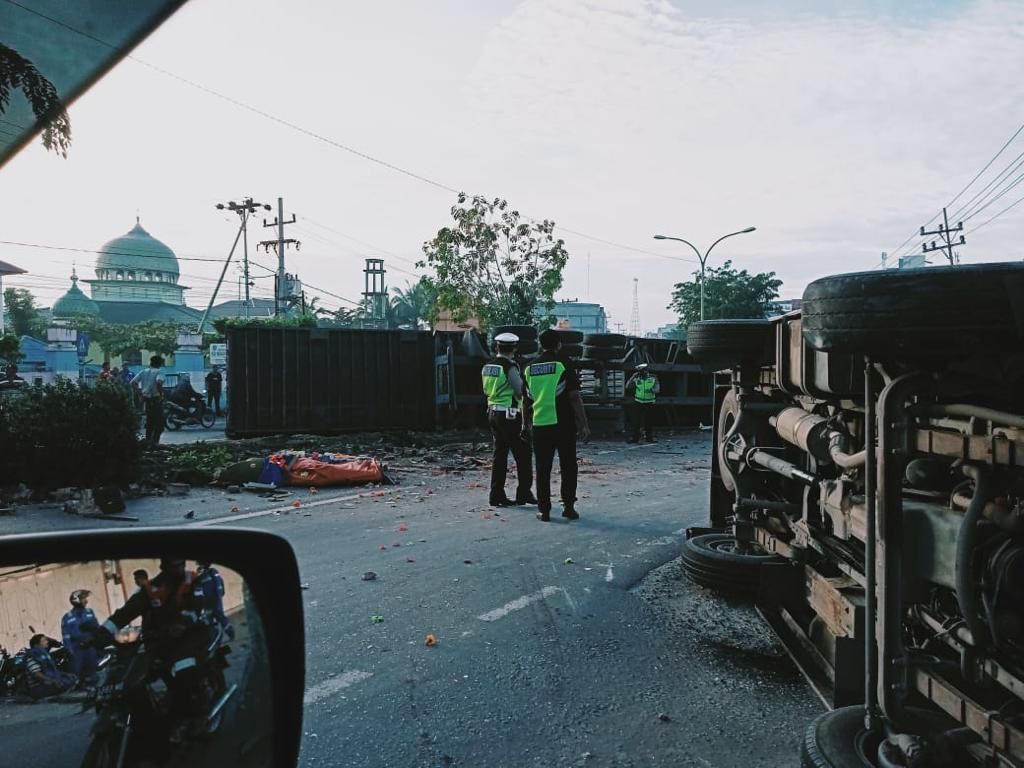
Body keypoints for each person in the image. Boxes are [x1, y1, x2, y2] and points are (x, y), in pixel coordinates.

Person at [98, 559, 211, 743]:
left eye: (181, 563)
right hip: (161, 640)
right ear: (163, 567)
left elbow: (196, 607)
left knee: (183, 669)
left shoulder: (191, 580)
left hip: (191, 635)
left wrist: (182, 623)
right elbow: (127, 611)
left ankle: (196, 714)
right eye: (174, 564)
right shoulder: (152, 588)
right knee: (135, 675)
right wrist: (101, 632)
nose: (179, 568)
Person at [523, 329, 591, 522]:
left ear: (540, 345)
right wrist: (584, 425)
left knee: (542, 469)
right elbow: (574, 396)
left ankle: (543, 510)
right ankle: (568, 507)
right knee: (568, 466)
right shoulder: (564, 363)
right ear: (559, 344)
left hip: (539, 425)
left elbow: (525, 400)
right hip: (563, 425)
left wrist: (524, 424)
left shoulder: (529, 368)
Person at [481, 333, 535, 507]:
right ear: (514, 348)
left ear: (497, 347)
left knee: (500, 455)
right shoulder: (509, 367)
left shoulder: (488, 367)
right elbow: (520, 391)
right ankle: (524, 492)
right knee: (523, 453)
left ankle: (496, 494)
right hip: (509, 415)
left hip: (493, 412)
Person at [61, 589, 100, 685]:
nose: (86, 601)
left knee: (93, 673)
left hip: (90, 647)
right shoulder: (67, 617)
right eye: (83, 598)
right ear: (76, 600)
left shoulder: (90, 612)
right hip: (76, 649)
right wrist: (69, 650)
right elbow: (65, 636)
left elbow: (97, 628)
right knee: (76, 675)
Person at [24, 634, 77, 699]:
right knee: (64, 684)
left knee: (72, 679)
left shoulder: (44, 654)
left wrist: (65, 675)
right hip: (38, 688)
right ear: (36, 644)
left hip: (47, 685)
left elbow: (51, 671)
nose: (47, 642)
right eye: (44, 640)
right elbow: (37, 674)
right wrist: (52, 681)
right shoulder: (32, 656)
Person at [193, 561, 234, 641]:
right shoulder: (200, 578)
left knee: (219, 618)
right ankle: (216, 639)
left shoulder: (211, 572)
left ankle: (230, 634)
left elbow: (219, 584)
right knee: (211, 621)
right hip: (208, 603)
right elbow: (198, 592)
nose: (199, 570)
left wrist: (219, 596)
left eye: (200, 567)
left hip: (214, 601)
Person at [131, 355, 165, 449]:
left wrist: (140, 392)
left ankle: (148, 442)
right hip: (155, 399)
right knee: (160, 422)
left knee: (150, 421)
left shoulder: (144, 371)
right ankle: (155, 442)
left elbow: (133, 383)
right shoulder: (159, 371)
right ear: (159, 363)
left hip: (146, 399)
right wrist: (161, 394)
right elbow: (159, 382)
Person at [625, 363, 660, 443]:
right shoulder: (637, 378)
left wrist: (652, 390)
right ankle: (635, 438)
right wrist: (633, 377)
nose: (641, 373)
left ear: (646, 370)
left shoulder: (653, 377)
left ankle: (649, 437)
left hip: (650, 402)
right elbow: (627, 386)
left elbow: (657, 389)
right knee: (636, 421)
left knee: (649, 421)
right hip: (638, 401)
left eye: (642, 371)